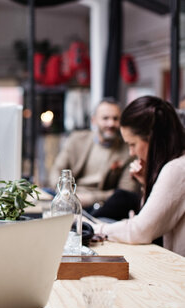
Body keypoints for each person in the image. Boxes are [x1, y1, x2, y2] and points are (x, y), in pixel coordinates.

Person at [90, 95, 185, 256]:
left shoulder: (177, 168)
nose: (131, 152)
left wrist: (94, 228)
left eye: (132, 144)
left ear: (152, 139)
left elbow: (141, 230)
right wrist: (145, 182)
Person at [49, 98, 139, 212]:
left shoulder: (128, 151)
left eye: (115, 119)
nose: (111, 123)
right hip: (68, 196)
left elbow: (125, 192)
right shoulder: (76, 139)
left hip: (100, 205)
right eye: (105, 118)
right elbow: (56, 170)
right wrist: (66, 195)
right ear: (94, 120)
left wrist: (92, 198)